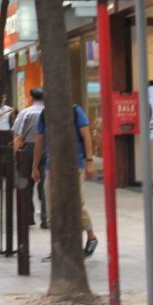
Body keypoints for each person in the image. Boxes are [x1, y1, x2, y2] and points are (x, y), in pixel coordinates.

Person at [34, 101, 99, 258]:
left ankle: (91, 237)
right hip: (52, 166)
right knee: (51, 205)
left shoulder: (75, 111)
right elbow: (40, 140)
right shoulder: (44, 114)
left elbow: (86, 135)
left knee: (76, 203)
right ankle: (59, 245)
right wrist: (34, 166)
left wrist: (89, 161)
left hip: (75, 164)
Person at [12, 87, 47, 227]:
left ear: (31, 98)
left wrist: (15, 153)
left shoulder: (25, 113)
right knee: (45, 185)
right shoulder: (48, 112)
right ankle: (46, 218)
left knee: (26, 183)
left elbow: (18, 136)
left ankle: (29, 217)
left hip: (28, 149)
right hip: (47, 148)